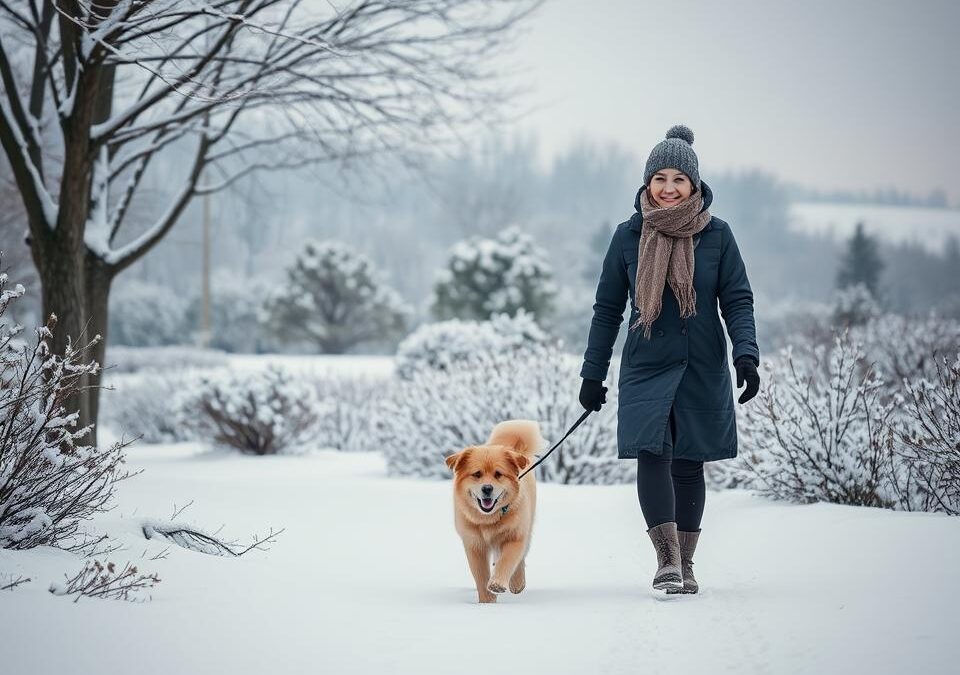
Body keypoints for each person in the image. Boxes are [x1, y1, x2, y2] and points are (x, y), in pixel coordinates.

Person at [578, 125, 761, 595]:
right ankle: (667, 562)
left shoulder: (718, 235)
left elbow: (737, 300)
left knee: (688, 462)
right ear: (646, 183)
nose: (668, 187)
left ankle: (687, 563)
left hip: (701, 363)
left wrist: (746, 354)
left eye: (678, 178)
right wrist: (592, 375)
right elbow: (607, 310)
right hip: (645, 363)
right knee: (652, 454)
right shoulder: (627, 237)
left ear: (694, 184)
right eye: (659, 177)